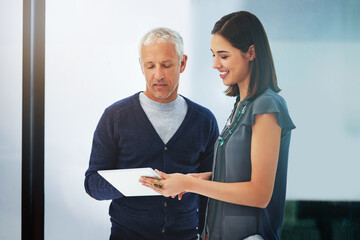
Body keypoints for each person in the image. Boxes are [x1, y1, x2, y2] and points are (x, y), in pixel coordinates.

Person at [140, 11, 296, 240]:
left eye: (223, 56)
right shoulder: (241, 106)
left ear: (251, 53)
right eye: (213, 55)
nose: (215, 64)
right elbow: (239, 175)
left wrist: (191, 185)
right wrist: (195, 179)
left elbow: (259, 194)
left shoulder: (266, 105)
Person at [84, 27, 219, 240]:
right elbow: (92, 184)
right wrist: (135, 181)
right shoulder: (116, 117)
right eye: (150, 66)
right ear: (141, 66)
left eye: (166, 65)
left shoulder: (204, 120)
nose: (158, 75)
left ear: (182, 63)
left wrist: (207, 232)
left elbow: (212, 187)